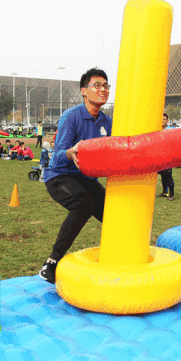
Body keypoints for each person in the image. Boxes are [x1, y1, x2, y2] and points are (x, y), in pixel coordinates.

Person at [39, 68, 112, 284]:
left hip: (87, 178)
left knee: (114, 214)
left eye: (105, 86)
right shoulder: (71, 117)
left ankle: (120, 257)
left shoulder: (107, 122)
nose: (103, 90)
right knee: (83, 204)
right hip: (60, 175)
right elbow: (56, 157)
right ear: (83, 91)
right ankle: (51, 262)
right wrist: (71, 153)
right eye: (97, 85)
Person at [158, 113, 176, 200]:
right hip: (159, 156)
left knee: (168, 175)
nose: (163, 121)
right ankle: (165, 192)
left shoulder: (170, 130)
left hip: (168, 156)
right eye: (161, 119)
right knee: (162, 175)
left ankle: (172, 194)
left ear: (167, 121)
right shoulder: (157, 130)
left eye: (164, 119)